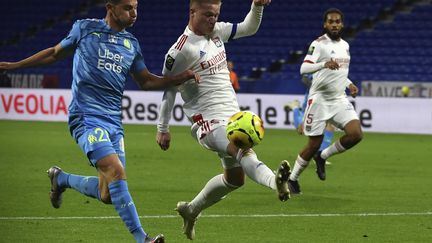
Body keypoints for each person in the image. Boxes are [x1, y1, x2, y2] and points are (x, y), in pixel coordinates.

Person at [0, 0, 199, 242]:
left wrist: (180, 77)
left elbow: (145, 81)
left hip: (114, 123)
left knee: (107, 193)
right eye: (127, 7)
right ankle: (143, 238)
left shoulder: (131, 44)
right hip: (86, 116)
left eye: (136, 7)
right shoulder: (85, 29)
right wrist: (14, 65)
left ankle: (61, 179)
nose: (134, 13)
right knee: (116, 172)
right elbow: (54, 53)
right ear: (110, 7)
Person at [155, 0, 291, 240]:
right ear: (192, 12)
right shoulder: (180, 51)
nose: (213, 19)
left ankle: (191, 210)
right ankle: (275, 182)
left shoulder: (217, 32)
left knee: (235, 179)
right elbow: (169, 89)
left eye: (216, 14)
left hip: (232, 116)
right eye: (208, 14)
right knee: (243, 150)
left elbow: (248, 27)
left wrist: (257, 6)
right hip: (207, 122)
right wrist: (162, 128)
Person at [287, 8, 363, 194]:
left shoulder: (345, 46)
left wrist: (349, 83)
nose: (335, 24)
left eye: (337, 21)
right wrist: (323, 64)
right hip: (319, 100)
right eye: (331, 21)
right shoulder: (318, 44)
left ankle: (323, 156)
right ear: (325, 24)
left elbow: (339, 71)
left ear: (342, 24)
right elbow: (303, 69)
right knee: (313, 144)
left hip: (338, 99)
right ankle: (292, 179)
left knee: (356, 134)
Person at [285, 74, 335, 164]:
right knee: (301, 130)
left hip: (322, 107)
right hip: (309, 108)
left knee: (330, 125)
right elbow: (304, 78)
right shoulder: (316, 66)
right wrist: (315, 86)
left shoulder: (330, 71)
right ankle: (295, 107)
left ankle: (319, 155)